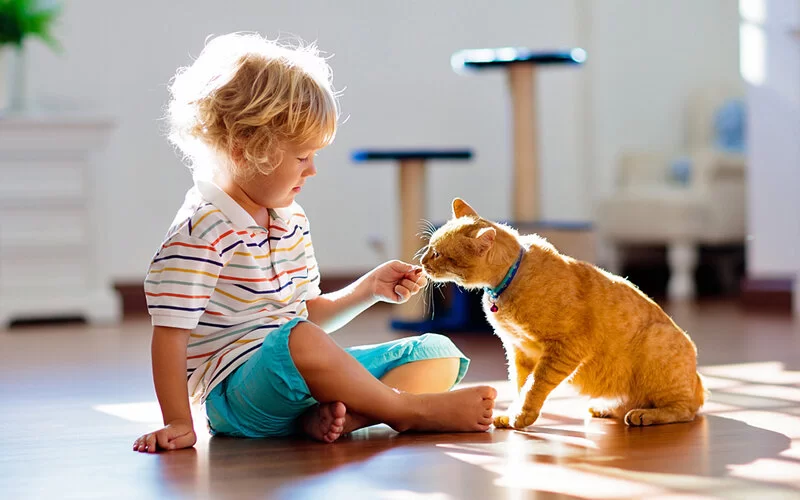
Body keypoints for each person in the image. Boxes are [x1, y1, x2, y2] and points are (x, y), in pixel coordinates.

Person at [133, 32, 496, 452]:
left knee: (437, 351)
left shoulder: (290, 219)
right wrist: (178, 420)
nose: (312, 171)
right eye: (302, 157)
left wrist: (368, 290)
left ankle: (338, 418)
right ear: (244, 149)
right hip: (237, 397)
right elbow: (169, 334)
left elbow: (308, 314)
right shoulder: (201, 230)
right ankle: (409, 413)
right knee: (301, 338)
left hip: (299, 378)